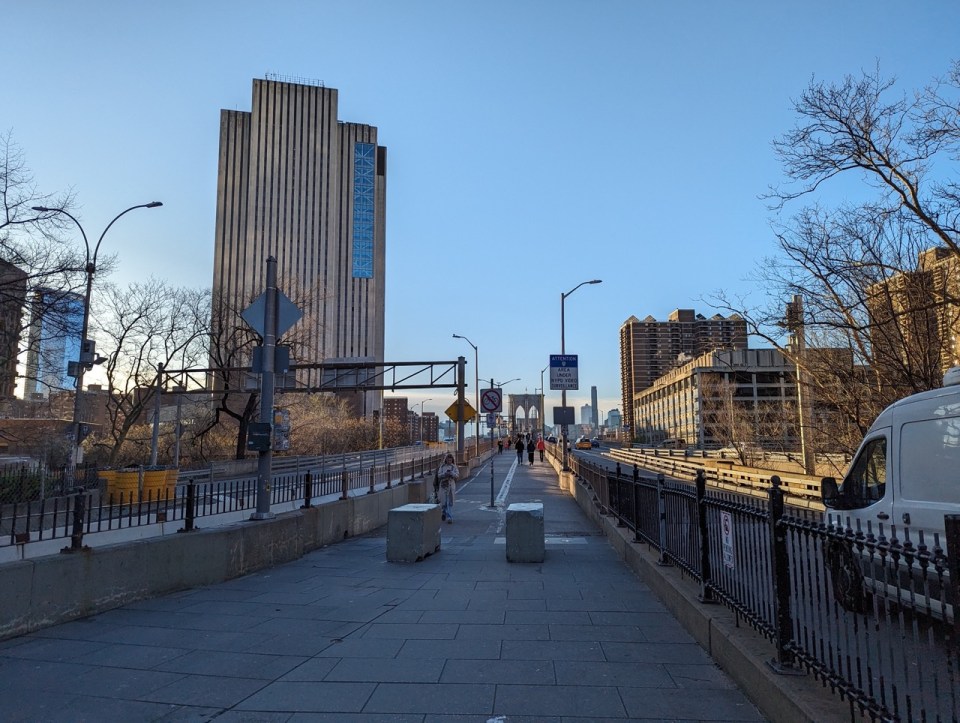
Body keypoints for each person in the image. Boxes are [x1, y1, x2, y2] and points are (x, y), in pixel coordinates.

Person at [435, 453, 460, 523]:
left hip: (451, 485)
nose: (449, 461)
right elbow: (439, 475)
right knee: (444, 501)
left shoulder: (454, 467)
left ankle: (449, 517)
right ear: (446, 460)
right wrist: (444, 474)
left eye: (450, 460)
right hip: (443, 485)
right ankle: (443, 512)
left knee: (449, 502)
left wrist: (452, 473)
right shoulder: (442, 467)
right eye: (448, 460)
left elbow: (457, 475)